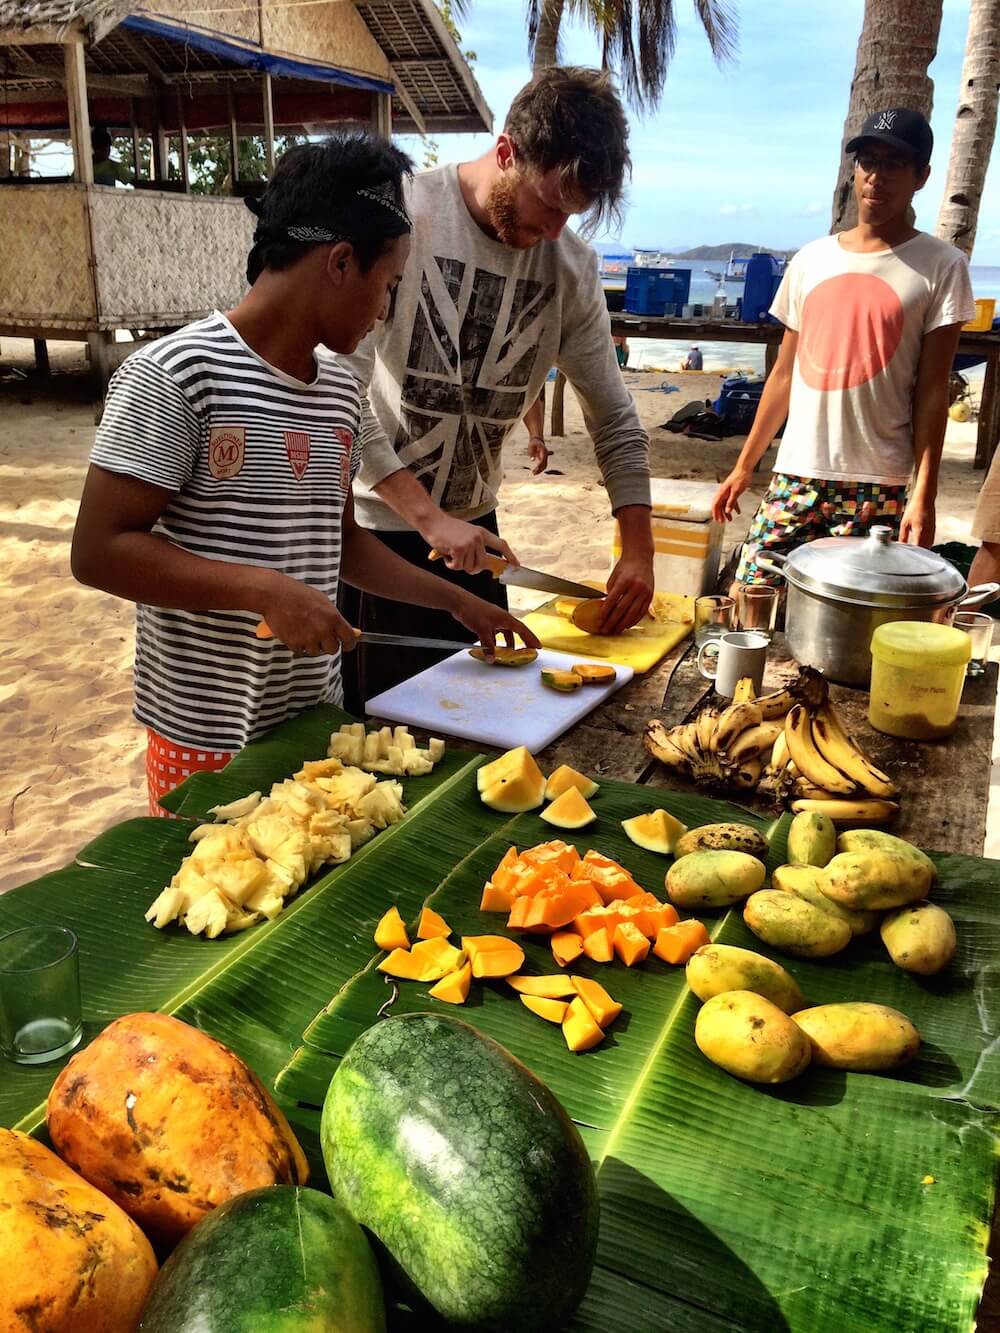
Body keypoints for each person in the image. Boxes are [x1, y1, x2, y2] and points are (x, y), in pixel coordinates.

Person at [70, 133, 536, 815]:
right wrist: (263, 591)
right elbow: (98, 551)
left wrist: (454, 601)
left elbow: (337, 541)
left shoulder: (340, 392)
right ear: (341, 262)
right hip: (206, 737)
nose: (384, 309)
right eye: (388, 285)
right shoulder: (177, 375)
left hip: (315, 725)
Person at [339, 67, 654, 710]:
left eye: (575, 214)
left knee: (481, 730)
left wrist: (639, 546)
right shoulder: (404, 215)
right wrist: (426, 516)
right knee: (385, 746)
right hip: (378, 537)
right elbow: (339, 397)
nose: (558, 231)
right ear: (506, 151)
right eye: (549, 205)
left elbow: (615, 418)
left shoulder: (571, 268)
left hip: (479, 543)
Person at [712, 107, 975, 589]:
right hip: (797, 473)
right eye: (868, 161)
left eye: (895, 164)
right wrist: (743, 467)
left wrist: (924, 494)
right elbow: (784, 376)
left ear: (922, 176)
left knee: (851, 622)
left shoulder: (942, 266)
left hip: (879, 483)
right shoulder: (812, 259)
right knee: (750, 596)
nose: (877, 176)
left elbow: (933, 392)